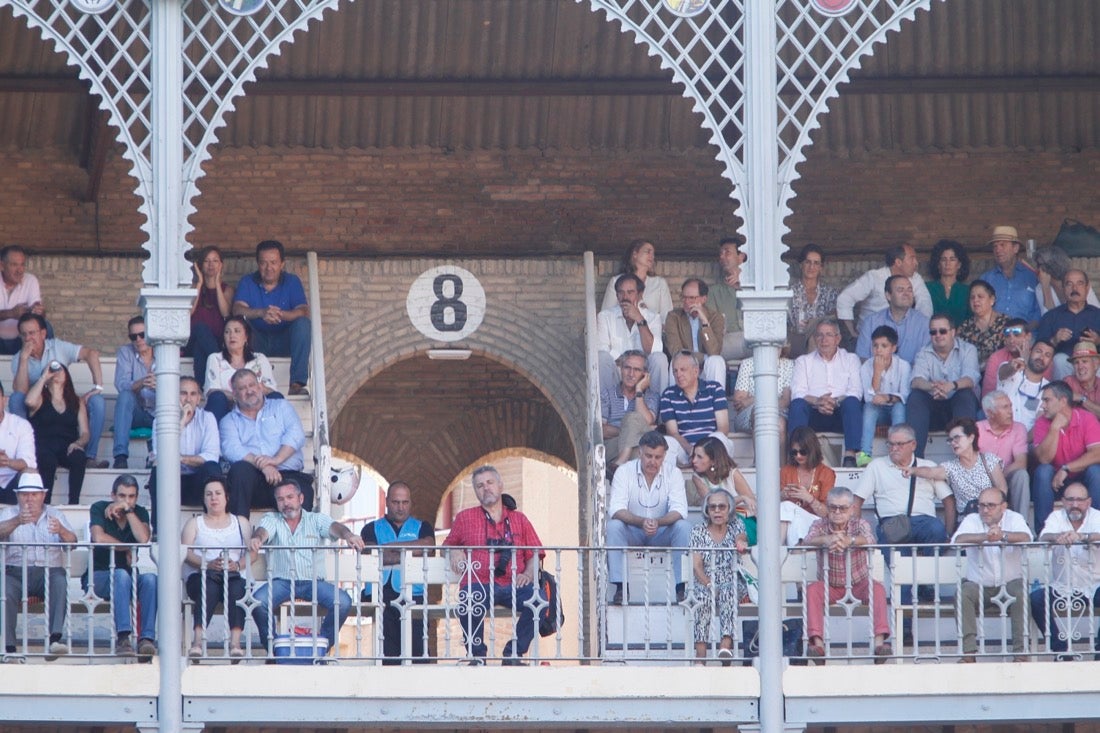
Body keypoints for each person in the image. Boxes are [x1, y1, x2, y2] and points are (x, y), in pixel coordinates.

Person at [248, 478, 364, 655]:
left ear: (300, 499)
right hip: (283, 582)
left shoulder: (316, 519)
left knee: (343, 602)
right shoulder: (273, 519)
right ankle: (273, 650)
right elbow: (263, 531)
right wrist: (257, 538)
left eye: (290, 497)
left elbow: (335, 527)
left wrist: (348, 535)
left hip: (313, 583)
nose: (286, 503)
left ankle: (322, 647)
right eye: (280, 499)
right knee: (257, 602)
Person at [443, 465, 545, 664]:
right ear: (475, 491)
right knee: (468, 600)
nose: (486, 488)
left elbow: (535, 553)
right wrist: (455, 552)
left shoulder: (519, 519)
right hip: (478, 584)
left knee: (539, 600)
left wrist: (528, 574)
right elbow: (447, 544)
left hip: (514, 584)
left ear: (500, 485)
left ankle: (513, 653)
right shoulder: (465, 518)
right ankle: (477, 655)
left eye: (490, 483)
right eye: (480, 486)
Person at [801, 487, 891, 664]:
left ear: (851, 509)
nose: (837, 512)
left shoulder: (859, 524)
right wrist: (826, 540)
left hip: (858, 584)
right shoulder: (820, 524)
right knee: (812, 590)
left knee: (878, 589)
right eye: (832, 507)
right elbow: (807, 540)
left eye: (842, 508)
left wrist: (849, 541)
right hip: (830, 585)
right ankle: (818, 646)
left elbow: (871, 540)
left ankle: (880, 645)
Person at [11, 313, 106, 468]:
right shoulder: (18, 358)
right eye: (24, 334)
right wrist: (24, 359)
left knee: (98, 401)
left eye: (32, 333)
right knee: (15, 398)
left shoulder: (58, 347)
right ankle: (24, 453)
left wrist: (98, 386)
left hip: (63, 404)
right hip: (39, 411)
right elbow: (21, 392)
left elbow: (92, 354)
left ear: (43, 333)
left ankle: (89, 456)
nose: (28, 338)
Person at [607, 430, 691, 604]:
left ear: (664, 456)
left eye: (658, 457)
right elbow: (616, 509)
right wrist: (642, 522)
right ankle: (621, 587)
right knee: (613, 526)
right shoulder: (624, 471)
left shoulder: (673, 473)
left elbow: (680, 510)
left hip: (661, 531)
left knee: (684, 526)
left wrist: (658, 522)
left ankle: (681, 588)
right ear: (640, 452)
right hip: (633, 531)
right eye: (649, 456)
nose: (653, 461)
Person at [951, 487, 1032, 663]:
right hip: (978, 586)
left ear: (1003, 507)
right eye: (981, 505)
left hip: (1010, 584)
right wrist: (985, 536)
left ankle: (1021, 653)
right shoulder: (972, 519)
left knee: (1021, 592)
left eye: (991, 505)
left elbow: (1027, 538)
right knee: (962, 593)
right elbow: (957, 540)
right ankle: (968, 654)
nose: (985, 510)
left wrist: (1003, 535)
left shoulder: (1014, 517)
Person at [1, 472, 76, 659]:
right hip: (15, 572)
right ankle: (8, 647)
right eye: (25, 494)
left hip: (48, 572)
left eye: (34, 494)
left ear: (43, 495)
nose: (29, 499)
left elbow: (72, 542)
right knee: (4, 588)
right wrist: (17, 521)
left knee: (60, 580)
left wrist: (61, 530)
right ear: (18, 496)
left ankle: (55, 640)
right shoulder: (9, 513)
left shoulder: (55, 514)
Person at [359, 481, 435, 665]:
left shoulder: (422, 526)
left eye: (405, 502)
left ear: (410, 503)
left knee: (418, 649)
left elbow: (428, 546)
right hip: (380, 593)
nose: (400, 507)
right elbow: (370, 553)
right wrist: (408, 552)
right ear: (387, 502)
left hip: (413, 593)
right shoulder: (370, 528)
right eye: (395, 502)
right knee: (387, 652)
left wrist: (388, 549)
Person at [220, 369, 311, 516]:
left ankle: (298, 538)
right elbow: (231, 449)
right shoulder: (228, 421)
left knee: (302, 491)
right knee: (239, 471)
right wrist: (263, 466)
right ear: (235, 394)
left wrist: (275, 460)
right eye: (242, 388)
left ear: (260, 386)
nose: (249, 391)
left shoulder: (281, 406)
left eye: (252, 385)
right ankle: (239, 533)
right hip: (254, 482)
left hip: (288, 476)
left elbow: (296, 435)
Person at [181, 475, 252, 659]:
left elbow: (252, 553)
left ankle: (235, 643)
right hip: (201, 575)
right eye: (209, 494)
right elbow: (185, 552)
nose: (214, 498)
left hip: (233, 575)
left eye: (218, 493)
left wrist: (236, 565)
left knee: (237, 588)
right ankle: (197, 642)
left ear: (227, 497)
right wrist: (206, 564)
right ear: (203, 499)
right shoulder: (194, 523)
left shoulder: (240, 522)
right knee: (208, 586)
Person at [87, 474, 157, 658]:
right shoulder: (99, 507)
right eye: (122, 496)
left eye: (131, 496)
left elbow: (143, 538)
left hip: (127, 578)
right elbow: (99, 537)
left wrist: (128, 510)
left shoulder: (139, 512)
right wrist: (127, 548)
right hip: (98, 577)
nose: (127, 500)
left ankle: (146, 639)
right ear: (113, 495)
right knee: (120, 574)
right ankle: (123, 637)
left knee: (150, 579)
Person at [1030, 481, 1100, 660]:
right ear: (1062, 501)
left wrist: (1083, 537)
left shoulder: (1097, 517)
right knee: (1036, 599)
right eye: (1070, 500)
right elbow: (1044, 536)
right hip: (1064, 586)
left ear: (1088, 502)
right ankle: (1061, 650)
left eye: (1079, 499)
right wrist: (1058, 537)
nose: (1075, 504)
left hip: (1095, 585)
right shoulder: (1056, 517)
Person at [232, 240, 311, 396]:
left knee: (303, 324)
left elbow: (303, 311)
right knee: (239, 322)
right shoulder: (247, 281)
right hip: (256, 340)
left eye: (274, 262)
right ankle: (240, 384)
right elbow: (237, 309)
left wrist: (279, 314)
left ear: (282, 263)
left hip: (284, 341)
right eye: (264, 263)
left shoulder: (292, 281)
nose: (269, 268)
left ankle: (296, 384)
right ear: (258, 264)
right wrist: (262, 313)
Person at [854, 424, 954, 542]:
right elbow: (857, 501)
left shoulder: (928, 466)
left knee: (936, 530)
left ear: (913, 445)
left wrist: (949, 534)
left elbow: (948, 500)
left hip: (925, 522)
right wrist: (857, 534)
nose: (894, 448)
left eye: (900, 444)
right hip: (892, 523)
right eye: (890, 444)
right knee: (890, 544)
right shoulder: (876, 466)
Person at [148, 376, 221, 531]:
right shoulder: (161, 419)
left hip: (198, 484)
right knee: (158, 472)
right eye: (183, 393)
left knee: (212, 468)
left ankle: (215, 525)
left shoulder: (207, 418)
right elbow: (160, 457)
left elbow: (211, 456)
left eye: (193, 394)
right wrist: (181, 423)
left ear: (199, 398)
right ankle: (158, 531)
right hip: (172, 484)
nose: (188, 399)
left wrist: (180, 458)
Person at [788, 317, 863, 467]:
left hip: (840, 413)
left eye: (829, 335)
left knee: (852, 402)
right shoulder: (804, 361)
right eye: (820, 335)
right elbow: (797, 392)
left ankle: (850, 456)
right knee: (797, 405)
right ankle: (797, 455)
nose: (824, 339)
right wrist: (818, 401)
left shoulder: (851, 359)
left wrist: (834, 402)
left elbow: (856, 391)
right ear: (815, 339)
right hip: (814, 413)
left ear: (838, 339)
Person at [905, 417, 1007, 523]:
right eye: (950, 440)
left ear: (971, 438)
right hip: (967, 521)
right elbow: (930, 472)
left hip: (992, 517)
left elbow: (1002, 489)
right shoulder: (950, 467)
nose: (953, 443)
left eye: (957, 438)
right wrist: (913, 470)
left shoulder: (989, 460)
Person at [907, 314, 980, 457]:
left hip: (958, 409)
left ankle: (966, 458)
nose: (937, 335)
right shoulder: (923, 352)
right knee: (916, 397)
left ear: (953, 332)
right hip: (933, 410)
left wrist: (951, 385)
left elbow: (971, 379)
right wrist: (934, 386)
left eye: (942, 331)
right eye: (933, 332)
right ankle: (915, 459)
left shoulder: (968, 349)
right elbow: (916, 380)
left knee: (965, 395)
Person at [1031, 381, 1100, 533]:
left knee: (1096, 471)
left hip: (1082, 479)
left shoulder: (1086, 418)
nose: (1042, 405)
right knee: (1043, 471)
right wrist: (1055, 428)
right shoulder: (1042, 422)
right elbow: (1044, 459)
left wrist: (1067, 468)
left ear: (1062, 401)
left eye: (1047, 400)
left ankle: (1095, 530)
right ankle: (1044, 533)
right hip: (1056, 482)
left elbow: (1097, 453)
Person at [690, 488, 748, 664]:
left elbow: (741, 537)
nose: (717, 511)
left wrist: (740, 542)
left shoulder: (736, 525)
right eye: (712, 507)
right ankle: (701, 656)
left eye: (721, 507)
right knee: (702, 598)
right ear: (707, 510)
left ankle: (725, 647)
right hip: (705, 581)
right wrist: (709, 584)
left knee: (728, 592)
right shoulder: (698, 531)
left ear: (729, 508)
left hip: (731, 580)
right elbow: (697, 566)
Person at [836, 243, 932, 345]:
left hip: (902, 338)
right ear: (898, 262)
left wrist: (918, 329)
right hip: (870, 338)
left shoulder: (915, 279)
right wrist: (852, 333)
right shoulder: (874, 277)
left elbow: (925, 303)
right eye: (912, 259)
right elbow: (845, 298)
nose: (916, 263)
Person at [595, 273, 667, 397]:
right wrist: (629, 366)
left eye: (630, 292)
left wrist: (639, 319)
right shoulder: (605, 316)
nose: (625, 297)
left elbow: (654, 350)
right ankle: (606, 410)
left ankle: (659, 412)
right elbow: (603, 349)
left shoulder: (653, 318)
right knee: (601, 357)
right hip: (618, 370)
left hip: (643, 372)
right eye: (621, 293)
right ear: (617, 296)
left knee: (660, 358)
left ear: (639, 295)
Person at [25, 362, 87, 504]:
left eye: (60, 369)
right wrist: (44, 378)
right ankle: (45, 503)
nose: (56, 372)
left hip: (67, 446)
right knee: (48, 460)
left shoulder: (76, 401)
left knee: (79, 458)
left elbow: (85, 432)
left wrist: (78, 443)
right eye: (53, 370)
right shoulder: (40, 397)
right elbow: (29, 401)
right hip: (44, 445)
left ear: (67, 375)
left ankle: (74, 503)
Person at [659, 351, 732, 469]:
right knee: (668, 442)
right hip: (685, 449)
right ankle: (669, 483)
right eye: (675, 371)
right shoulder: (668, 395)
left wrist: (704, 451)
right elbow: (673, 433)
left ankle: (715, 476)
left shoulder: (714, 389)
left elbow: (723, 428)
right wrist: (691, 450)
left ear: (696, 371)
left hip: (712, 447)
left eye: (683, 369)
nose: (678, 375)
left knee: (721, 438)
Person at [204, 315, 281, 422]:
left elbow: (270, 389)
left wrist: (253, 396)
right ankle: (213, 437)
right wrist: (242, 398)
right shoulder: (215, 358)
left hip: (257, 410)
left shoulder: (259, 358)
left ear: (246, 337)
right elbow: (212, 390)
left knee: (276, 398)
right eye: (227, 332)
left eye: (237, 331)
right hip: (227, 410)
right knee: (217, 398)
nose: (232, 335)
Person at [858, 325, 911, 466]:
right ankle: (864, 455)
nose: (878, 350)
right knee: (869, 408)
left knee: (899, 407)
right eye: (875, 346)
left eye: (884, 346)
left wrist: (887, 397)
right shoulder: (866, 367)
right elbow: (869, 398)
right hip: (877, 411)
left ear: (893, 348)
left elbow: (905, 395)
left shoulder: (903, 366)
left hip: (895, 409)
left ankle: (899, 454)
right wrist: (877, 372)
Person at [1034, 269, 1100, 379]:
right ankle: (1064, 395)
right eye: (1069, 284)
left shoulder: (1097, 314)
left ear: (1087, 288)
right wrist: (1054, 340)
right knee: (1059, 359)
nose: (1075, 289)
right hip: (1064, 367)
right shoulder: (1051, 317)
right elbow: (1038, 349)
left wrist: (1098, 340)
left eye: (1080, 283)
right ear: (1063, 289)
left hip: (1093, 365)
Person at [600, 350, 659, 473]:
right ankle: (621, 462)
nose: (631, 374)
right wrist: (630, 430)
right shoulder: (606, 395)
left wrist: (639, 391)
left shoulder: (651, 396)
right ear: (620, 369)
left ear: (645, 374)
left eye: (637, 370)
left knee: (641, 450)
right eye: (627, 367)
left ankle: (619, 465)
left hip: (637, 450)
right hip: (611, 447)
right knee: (633, 422)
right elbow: (602, 430)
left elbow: (647, 420)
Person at [664, 278, 726, 388]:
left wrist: (704, 323)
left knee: (716, 361)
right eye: (684, 297)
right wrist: (704, 358)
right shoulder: (673, 317)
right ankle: (676, 402)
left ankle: (718, 401)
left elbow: (714, 351)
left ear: (704, 299)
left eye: (692, 298)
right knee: (676, 360)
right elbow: (676, 351)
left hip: (706, 369)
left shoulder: (716, 318)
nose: (687, 302)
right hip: (685, 367)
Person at [689, 436, 756, 540]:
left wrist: (743, 500)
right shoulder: (697, 478)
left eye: (699, 457)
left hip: (742, 517)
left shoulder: (732, 473)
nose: (694, 460)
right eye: (694, 456)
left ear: (713, 461)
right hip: (718, 518)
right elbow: (712, 503)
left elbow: (751, 501)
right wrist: (741, 498)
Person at [977, 390, 1031, 517]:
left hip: (1007, 475)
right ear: (990, 413)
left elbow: (1021, 463)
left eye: (1010, 406)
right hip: (982, 478)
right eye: (1005, 407)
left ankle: (1021, 522)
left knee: (1022, 475)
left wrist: (999, 476)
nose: (1010, 411)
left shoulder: (1019, 428)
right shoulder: (976, 429)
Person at [187, 245, 234, 390]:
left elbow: (225, 313)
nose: (211, 265)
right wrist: (200, 283)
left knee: (200, 349)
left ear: (221, 265)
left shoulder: (228, 289)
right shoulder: (193, 288)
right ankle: (222, 365)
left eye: (215, 261)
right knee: (201, 328)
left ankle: (201, 387)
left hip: (216, 341)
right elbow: (187, 314)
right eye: (207, 261)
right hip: (193, 337)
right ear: (200, 265)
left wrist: (217, 284)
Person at [112, 316, 155, 470]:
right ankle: (120, 457)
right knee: (124, 396)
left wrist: (160, 387)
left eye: (142, 334)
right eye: (133, 336)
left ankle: (155, 457)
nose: (138, 339)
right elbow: (121, 385)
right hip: (136, 412)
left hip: (157, 413)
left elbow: (176, 388)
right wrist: (142, 382)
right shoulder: (125, 352)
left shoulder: (164, 352)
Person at [855, 276, 930, 364]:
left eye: (909, 290)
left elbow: (927, 361)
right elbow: (862, 358)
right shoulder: (871, 322)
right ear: (888, 296)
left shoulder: (924, 323)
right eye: (900, 290)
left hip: (912, 376)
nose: (906, 293)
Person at [730, 352, 793, 455]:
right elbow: (739, 402)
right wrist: (772, 397)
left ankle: (781, 468)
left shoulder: (789, 365)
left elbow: (785, 401)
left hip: (779, 413)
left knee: (780, 423)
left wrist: (753, 399)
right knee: (759, 412)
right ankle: (758, 464)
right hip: (748, 416)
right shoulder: (748, 363)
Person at [600, 239, 674, 322]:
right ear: (635, 254)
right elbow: (606, 314)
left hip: (651, 332)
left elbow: (667, 316)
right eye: (648, 252)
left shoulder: (659, 283)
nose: (652, 256)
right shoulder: (616, 281)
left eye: (653, 254)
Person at [978, 225, 1039, 324]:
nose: (998, 250)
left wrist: (1026, 331)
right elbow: (979, 312)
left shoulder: (1032, 277)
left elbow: (1039, 313)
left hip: (1026, 336)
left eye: (1002, 245)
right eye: (995, 246)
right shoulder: (986, 280)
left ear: (1015, 248)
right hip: (994, 336)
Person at [787, 243, 839, 358]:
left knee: (816, 337)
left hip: (820, 342)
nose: (812, 267)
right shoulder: (790, 292)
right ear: (801, 264)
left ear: (821, 267)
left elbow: (835, 318)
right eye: (808, 262)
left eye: (816, 263)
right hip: (795, 340)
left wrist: (814, 322)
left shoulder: (830, 293)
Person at [707, 237, 751, 361]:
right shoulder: (714, 292)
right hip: (728, 341)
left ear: (741, 257)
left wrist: (742, 284)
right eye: (720, 254)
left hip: (753, 337)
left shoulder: (755, 288)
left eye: (727, 252)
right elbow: (713, 326)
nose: (722, 257)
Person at [996, 339, 1053, 433]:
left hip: (1024, 443)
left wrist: (1020, 442)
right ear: (1030, 352)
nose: (1041, 357)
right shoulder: (1010, 368)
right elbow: (1004, 372)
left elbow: (1039, 425)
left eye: (1047, 355)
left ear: (1051, 362)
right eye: (1038, 351)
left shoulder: (1049, 389)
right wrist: (1018, 363)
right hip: (999, 436)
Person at [0, 246, 48, 356]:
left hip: (21, 339)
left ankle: (43, 364)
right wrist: (10, 313)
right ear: (2, 265)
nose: (20, 270)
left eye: (22, 264)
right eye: (14, 265)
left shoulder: (30, 280)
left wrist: (39, 311)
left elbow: (37, 311)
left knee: (45, 327)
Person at [983, 319, 1050, 397]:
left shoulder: (1041, 358)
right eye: (1008, 336)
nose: (1011, 340)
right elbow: (988, 393)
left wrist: (1027, 361)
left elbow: (1044, 390)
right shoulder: (996, 357)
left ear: (1028, 336)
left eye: (1017, 335)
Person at [779, 426, 835, 518]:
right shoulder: (786, 471)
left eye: (803, 452)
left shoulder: (826, 473)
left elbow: (827, 514)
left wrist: (809, 498)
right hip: (790, 521)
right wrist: (781, 496)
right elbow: (773, 506)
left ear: (812, 450)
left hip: (816, 524)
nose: (798, 456)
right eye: (794, 452)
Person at [956, 280, 1010, 372]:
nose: (975, 300)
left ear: (992, 300)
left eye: (980, 297)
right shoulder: (964, 327)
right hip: (972, 375)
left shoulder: (1005, 323)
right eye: (972, 297)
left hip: (1000, 373)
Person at [1034, 245, 1100, 316]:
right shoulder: (1040, 288)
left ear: (1052, 265)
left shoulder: (1077, 283)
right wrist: (1045, 288)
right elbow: (1048, 320)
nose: (1037, 269)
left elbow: (1096, 313)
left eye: (1039, 265)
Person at [0, 379, 36, 505]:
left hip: (12, 483)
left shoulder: (20, 425)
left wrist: (7, 461)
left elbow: (28, 462)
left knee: (30, 474)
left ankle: (29, 520)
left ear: (4, 400)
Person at [925, 239, 972, 327]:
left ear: (959, 265)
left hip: (961, 338)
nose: (947, 263)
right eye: (943, 259)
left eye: (952, 259)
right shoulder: (927, 288)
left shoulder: (968, 291)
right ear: (938, 264)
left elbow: (972, 319)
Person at [1066, 340, 1100, 419]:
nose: (1080, 367)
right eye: (1076, 363)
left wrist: (1082, 399)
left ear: (1095, 365)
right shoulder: (1068, 382)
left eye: (1084, 361)